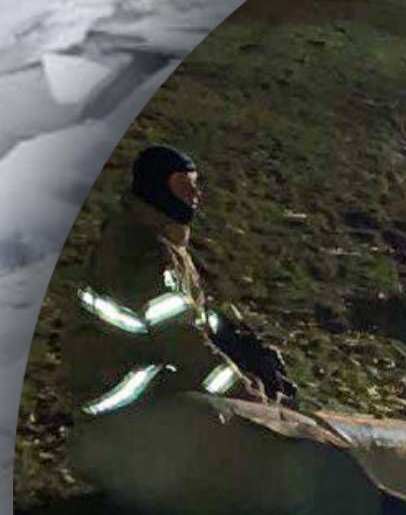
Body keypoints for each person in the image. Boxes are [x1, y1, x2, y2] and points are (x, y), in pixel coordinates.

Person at [59, 145, 280, 421]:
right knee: (220, 418)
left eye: (195, 186)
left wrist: (232, 341)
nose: (195, 196)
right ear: (157, 188)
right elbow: (180, 340)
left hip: (128, 366)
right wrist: (246, 396)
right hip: (114, 386)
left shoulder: (161, 238)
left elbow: (187, 318)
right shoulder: (143, 251)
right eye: (184, 187)